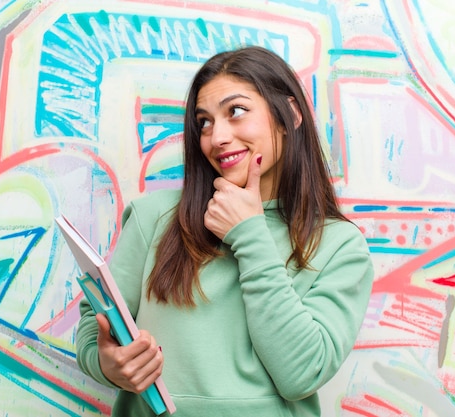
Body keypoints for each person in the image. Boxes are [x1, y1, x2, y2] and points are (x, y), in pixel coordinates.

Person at [75, 45, 374, 417]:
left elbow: (301, 373)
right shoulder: (154, 217)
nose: (216, 138)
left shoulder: (339, 245)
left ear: (289, 115)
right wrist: (107, 364)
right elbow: (96, 324)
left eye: (236, 112)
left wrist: (249, 233)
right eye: (204, 122)